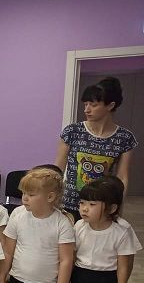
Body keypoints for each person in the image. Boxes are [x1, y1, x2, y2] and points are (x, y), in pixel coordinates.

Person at [56, 76, 137, 223]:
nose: (87, 109)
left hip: (101, 205)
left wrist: (117, 208)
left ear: (110, 106)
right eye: (85, 104)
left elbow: (122, 177)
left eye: (93, 105)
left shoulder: (125, 138)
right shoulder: (72, 131)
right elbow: (57, 169)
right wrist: (53, 200)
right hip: (70, 204)